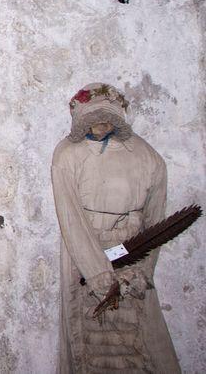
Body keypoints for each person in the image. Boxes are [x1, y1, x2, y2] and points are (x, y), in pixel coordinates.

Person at [51, 83, 181, 373]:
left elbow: (154, 222)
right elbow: (72, 220)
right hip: (86, 256)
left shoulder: (148, 158)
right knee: (90, 342)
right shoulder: (67, 156)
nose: (99, 125)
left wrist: (140, 273)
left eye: (106, 117)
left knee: (137, 339)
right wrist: (99, 277)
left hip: (132, 254)